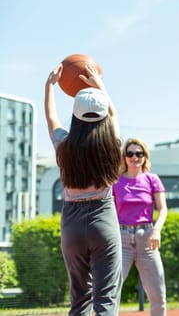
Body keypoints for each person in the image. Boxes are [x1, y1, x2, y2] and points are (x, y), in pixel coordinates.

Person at [44, 63, 123, 315]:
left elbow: (51, 117)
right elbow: (114, 114)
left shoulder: (64, 146)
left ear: (76, 116)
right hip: (103, 219)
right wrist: (99, 84)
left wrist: (49, 86)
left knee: (79, 299)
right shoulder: (112, 144)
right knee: (106, 298)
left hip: (72, 223)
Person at [112, 138, 168, 316]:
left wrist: (157, 230)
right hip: (121, 239)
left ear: (144, 156)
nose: (134, 157)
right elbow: (109, 212)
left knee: (158, 295)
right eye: (130, 153)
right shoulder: (115, 181)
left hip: (148, 240)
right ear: (124, 157)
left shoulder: (152, 179)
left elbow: (163, 209)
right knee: (109, 291)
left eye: (139, 153)